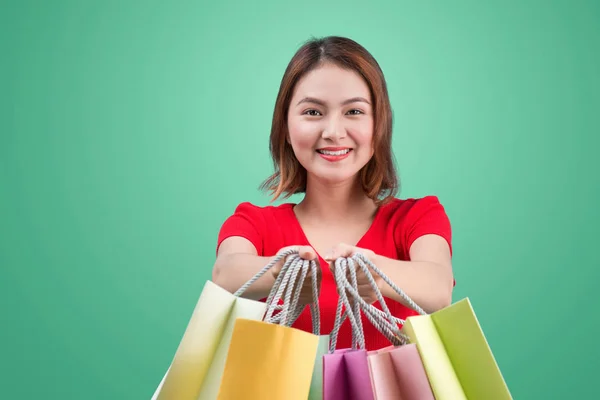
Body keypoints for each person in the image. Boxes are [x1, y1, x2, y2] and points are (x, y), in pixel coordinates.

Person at [211, 35, 455, 351]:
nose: (333, 132)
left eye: (354, 112)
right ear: (285, 127)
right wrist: (282, 271)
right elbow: (225, 274)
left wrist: (378, 277)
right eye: (313, 112)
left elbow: (438, 288)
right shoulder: (253, 223)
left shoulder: (417, 217)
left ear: (378, 125)